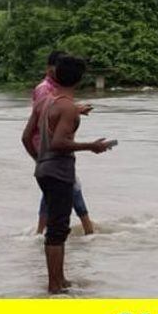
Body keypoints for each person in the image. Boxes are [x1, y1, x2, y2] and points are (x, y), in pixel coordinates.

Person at [21, 55, 112, 294]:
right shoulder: (68, 108)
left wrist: (40, 160)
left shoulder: (44, 103)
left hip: (43, 170)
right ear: (80, 80)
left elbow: (25, 137)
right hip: (59, 171)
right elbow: (59, 142)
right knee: (58, 230)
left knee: (56, 227)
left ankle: (60, 279)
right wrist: (91, 146)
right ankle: (55, 285)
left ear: (54, 74)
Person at [31, 51, 95, 236]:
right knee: (71, 186)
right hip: (50, 150)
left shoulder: (57, 93)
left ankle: (40, 231)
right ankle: (88, 229)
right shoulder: (46, 89)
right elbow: (46, 115)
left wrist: (74, 109)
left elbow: (46, 116)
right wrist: (91, 146)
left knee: (54, 191)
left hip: (46, 152)